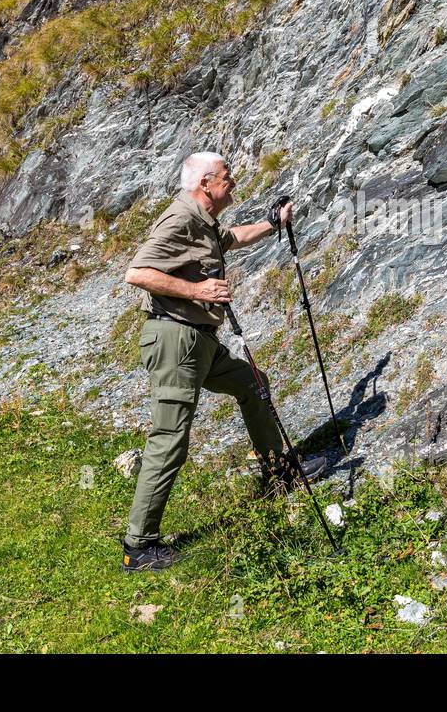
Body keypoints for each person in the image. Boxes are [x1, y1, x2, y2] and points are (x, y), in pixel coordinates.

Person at [119, 151, 326, 571]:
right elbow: (137, 272)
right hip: (176, 339)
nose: (233, 182)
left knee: (254, 384)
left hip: (200, 341)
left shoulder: (204, 221)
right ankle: (138, 547)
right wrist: (199, 292)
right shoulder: (179, 220)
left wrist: (274, 223)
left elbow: (234, 237)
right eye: (227, 177)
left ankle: (278, 473)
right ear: (206, 184)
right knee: (170, 439)